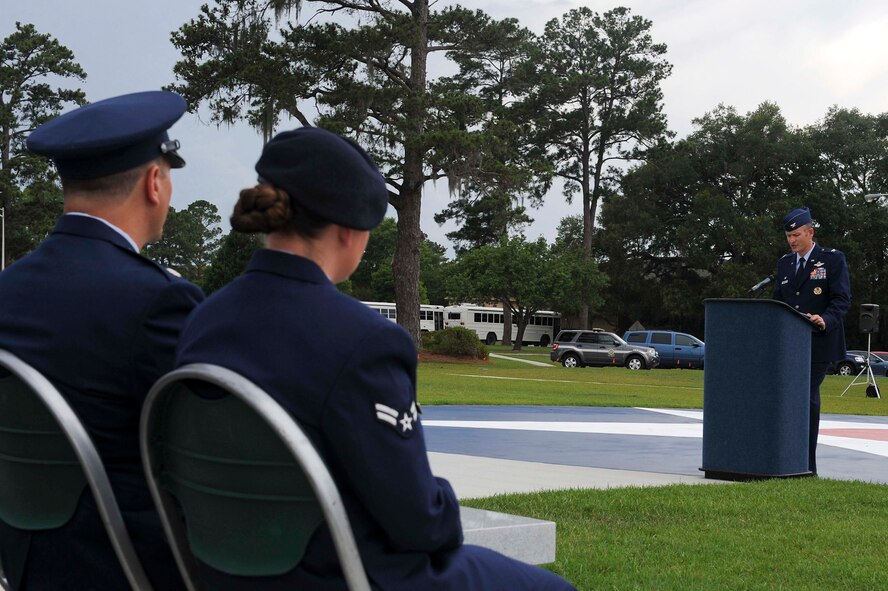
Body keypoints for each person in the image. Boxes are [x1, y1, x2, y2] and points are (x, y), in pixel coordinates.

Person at [175, 126, 576, 591]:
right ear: (350, 233)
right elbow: (418, 522)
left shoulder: (202, 321)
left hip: (220, 574)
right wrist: (444, 506)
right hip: (347, 575)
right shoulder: (364, 341)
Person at [0, 91, 204, 590]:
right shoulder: (158, 302)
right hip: (132, 569)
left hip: (26, 565)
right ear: (155, 182)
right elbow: (211, 460)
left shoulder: (7, 289)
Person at [771, 207, 850, 475]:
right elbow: (777, 303)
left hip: (819, 342)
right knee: (792, 397)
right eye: (788, 236)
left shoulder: (832, 260)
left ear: (810, 232)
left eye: (796, 235)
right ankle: (787, 459)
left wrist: (825, 319)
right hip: (789, 345)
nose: (792, 241)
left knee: (805, 395)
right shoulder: (784, 263)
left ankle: (807, 465)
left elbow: (841, 300)